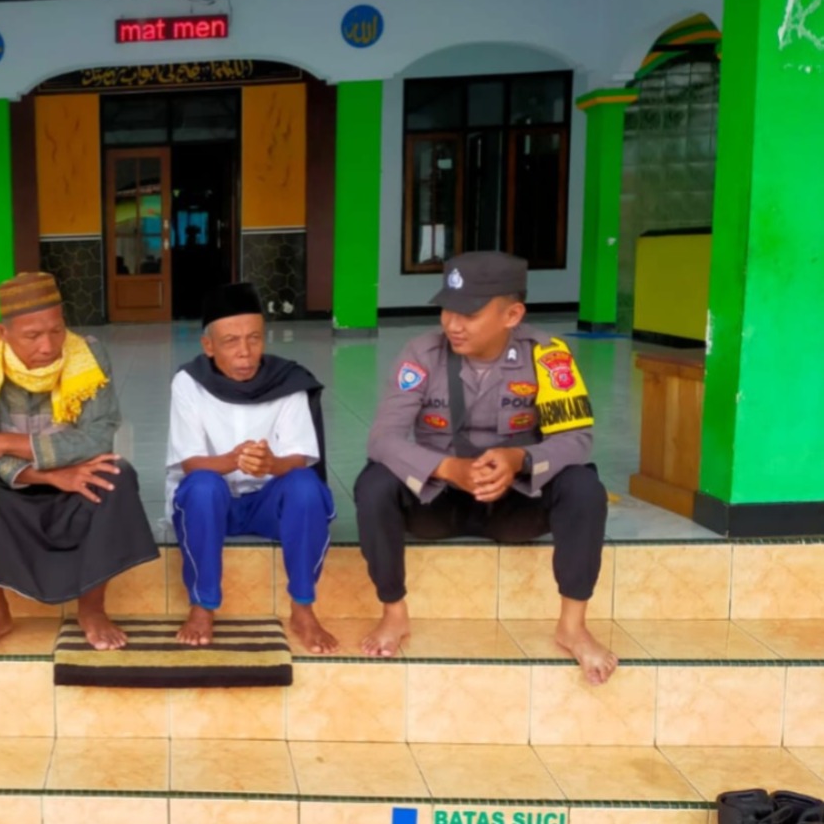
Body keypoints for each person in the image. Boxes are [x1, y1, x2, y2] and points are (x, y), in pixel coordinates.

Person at [356, 252, 614, 683]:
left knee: (585, 487)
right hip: (436, 501)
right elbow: (383, 438)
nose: (452, 324)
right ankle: (394, 612)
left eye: (469, 314)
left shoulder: (548, 355)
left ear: (512, 315)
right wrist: (446, 468)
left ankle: (573, 626)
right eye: (447, 309)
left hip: (514, 504)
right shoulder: (421, 354)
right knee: (374, 483)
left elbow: (577, 439)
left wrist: (520, 460)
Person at [0, 272, 159, 659]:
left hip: (77, 478)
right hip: (15, 481)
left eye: (57, 330)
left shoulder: (88, 353)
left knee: (116, 474)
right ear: (2, 332)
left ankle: (92, 608)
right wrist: (47, 475)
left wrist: (7, 442)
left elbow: (98, 437)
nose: (48, 345)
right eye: (32, 335)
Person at [166, 282, 337, 651]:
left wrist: (272, 464)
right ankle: (202, 606)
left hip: (267, 505)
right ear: (208, 345)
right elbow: (190, 461)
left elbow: (299, 457)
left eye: (254, 339)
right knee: (202, 485)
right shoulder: (189, 383)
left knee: (305, 485)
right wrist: (232, 460)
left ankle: (303, 608)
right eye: (230, 341)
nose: (245, 352)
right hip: (213, 506)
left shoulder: (288, 380)